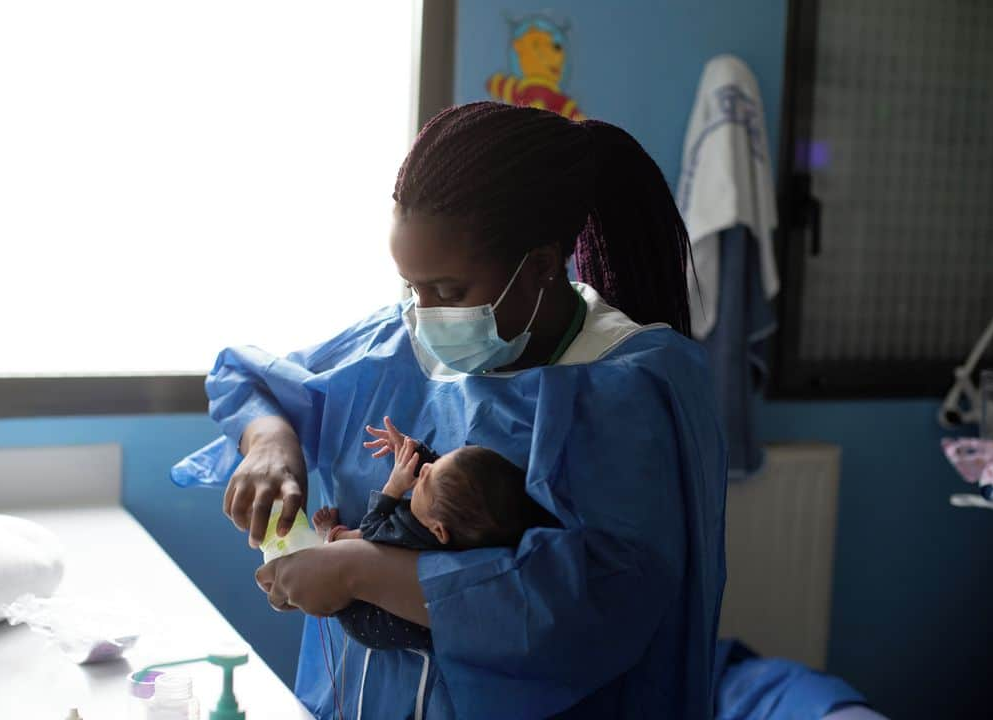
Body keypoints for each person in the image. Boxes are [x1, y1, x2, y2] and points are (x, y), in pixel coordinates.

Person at [173, 101, 727, 719]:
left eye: (448, 291)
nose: (424, 311)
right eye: (412, 286)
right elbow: (254, 382)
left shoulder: (625, 388)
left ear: (542, 267)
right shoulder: (396, 346)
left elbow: (591, 605)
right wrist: (273, 443)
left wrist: (360, 570)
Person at [312, 416, 554, 652]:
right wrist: (413, 452)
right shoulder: (471, 522)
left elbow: (372, 530)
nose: (426, 467)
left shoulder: (412, 534)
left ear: (438, 530)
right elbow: (450, 479)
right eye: (434, 465)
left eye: (425, 479)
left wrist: (393, 488)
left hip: (369, 617)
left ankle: (329, 538)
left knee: (359, 544)